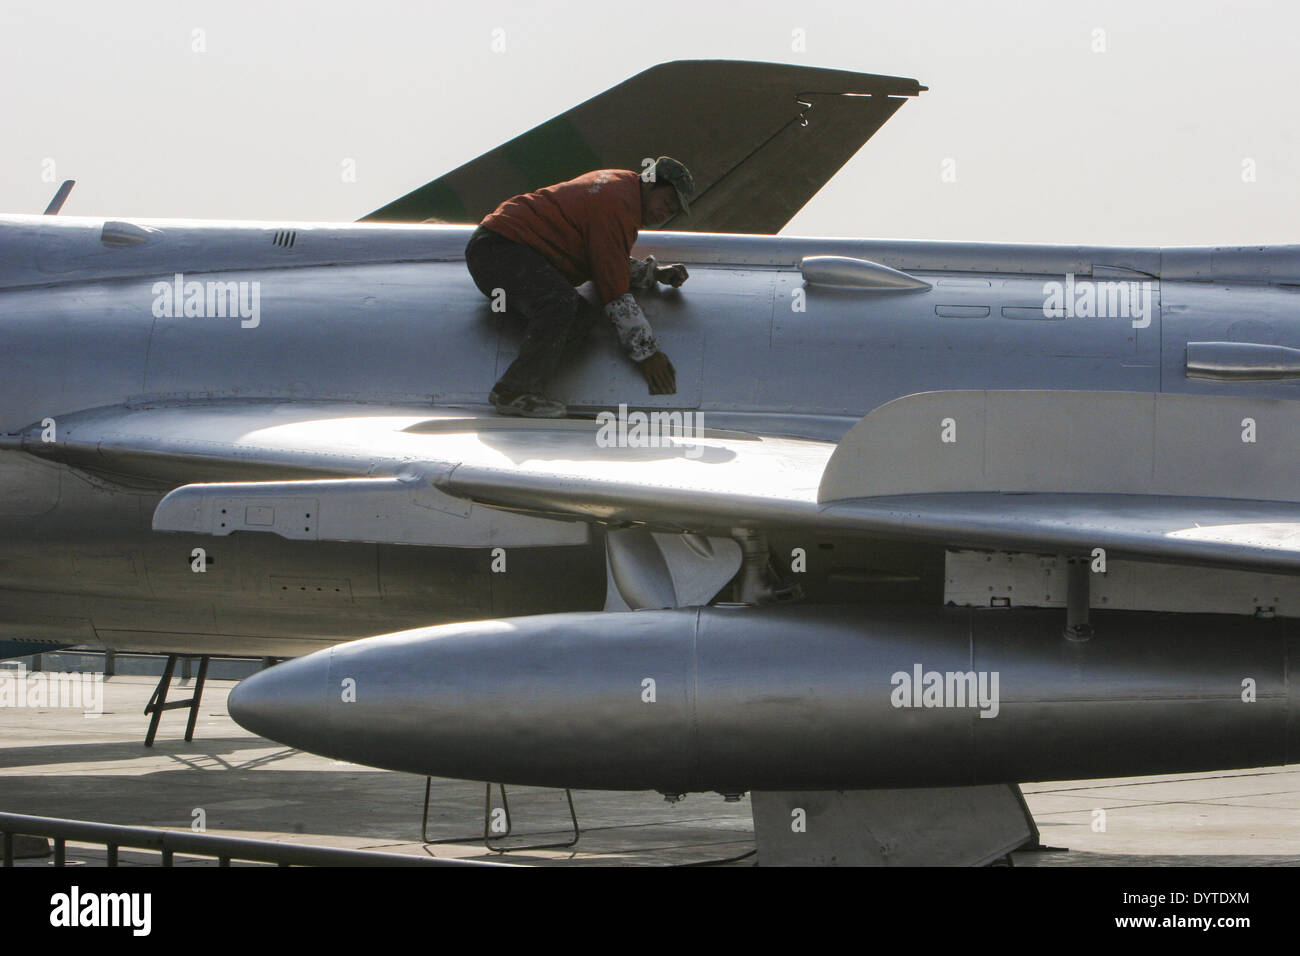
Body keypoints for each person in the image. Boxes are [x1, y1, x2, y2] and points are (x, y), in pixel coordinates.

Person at [463, 156, 695, 417]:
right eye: (666, 202)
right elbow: (613, 289)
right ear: (650, 183)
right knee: (559, 303)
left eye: (673, 211)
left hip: (511, 253)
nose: (666, 213)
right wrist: (647, 354)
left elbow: (604, 256)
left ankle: (529, 389)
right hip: (499, 249)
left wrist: (653, 273)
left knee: (580, 317)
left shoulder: (619, 189)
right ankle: (512, 391)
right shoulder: (618, 203)